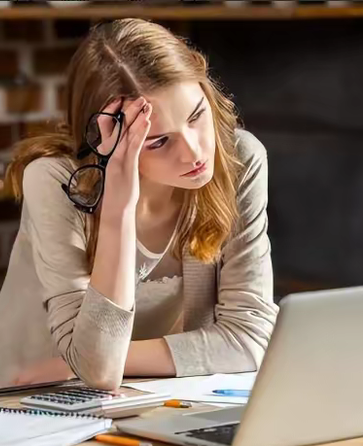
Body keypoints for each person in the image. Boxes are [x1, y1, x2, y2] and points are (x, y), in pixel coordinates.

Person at [0, 18, 278, 390]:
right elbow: (98, 372)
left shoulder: (239, 160)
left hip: (147, 392)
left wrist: (82, 362)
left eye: (196, 116)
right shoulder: (53, 181)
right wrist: (118, 209)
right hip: (30, 398)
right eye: (159, 141)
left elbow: (249, 339)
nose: (195, 152)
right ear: (107, 138)